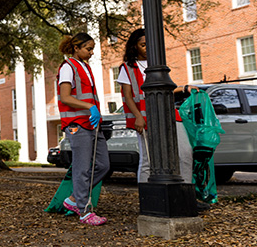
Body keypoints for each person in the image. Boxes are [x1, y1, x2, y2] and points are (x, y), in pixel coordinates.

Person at [118, 28, 196, 184]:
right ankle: (147, 199)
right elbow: (127, 96)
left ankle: (185, 195)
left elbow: (167, 88)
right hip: (145, 118)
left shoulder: (159, 64)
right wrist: (138, 117)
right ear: (134, 46)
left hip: (168, 114)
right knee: (148, 159)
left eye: (150, 44)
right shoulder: (127, 68)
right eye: (143, 45)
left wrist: (185, 88)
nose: (147, 48)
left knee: (185, 153)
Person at [57, 33, 111, 226]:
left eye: (92, 48)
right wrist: (90, 107)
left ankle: (73, 199)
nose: (91, 52)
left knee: (103, 165)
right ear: (76, 48)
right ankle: (84, 211)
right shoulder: (68, 68)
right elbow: (65, 97)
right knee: (82, 168)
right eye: (88, 48)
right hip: (77, 124)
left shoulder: (85, 67)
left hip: (92, 123)